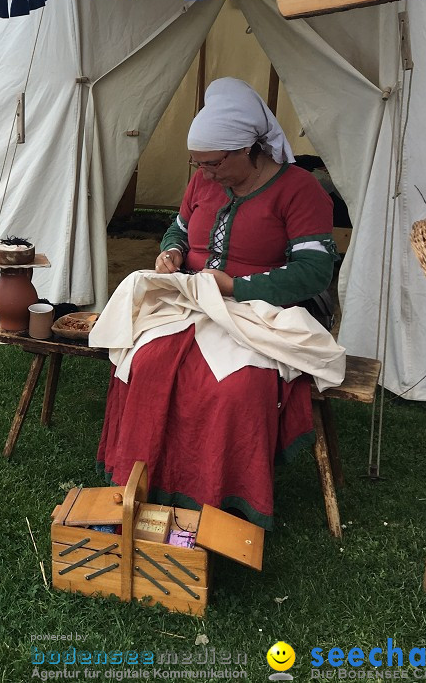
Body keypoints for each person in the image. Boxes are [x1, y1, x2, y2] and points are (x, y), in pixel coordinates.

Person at [92, 78, 340, 531]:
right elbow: (178, 232)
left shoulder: (300, 190)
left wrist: (236, 287)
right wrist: (170, 253)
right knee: (144, 365)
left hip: (261, 312)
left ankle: (219, 502)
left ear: (247, 149)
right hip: (192, 303)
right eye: (198, 164)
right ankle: (140, 492)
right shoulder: (202, 185)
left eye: (213, 164)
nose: (204, 174)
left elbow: (313, 273)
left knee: (234, 389)